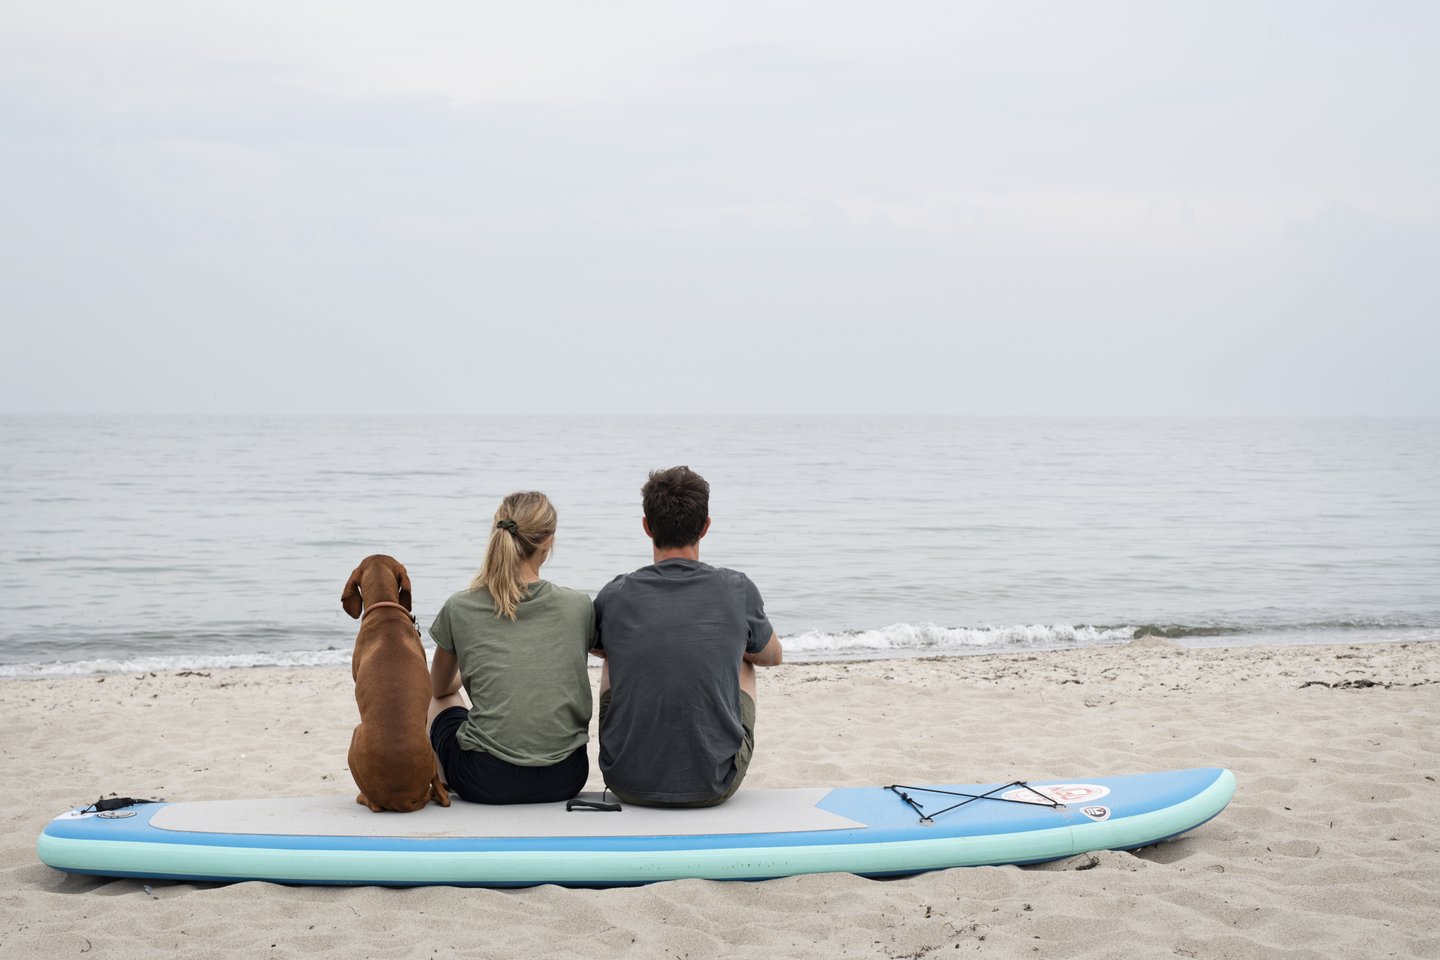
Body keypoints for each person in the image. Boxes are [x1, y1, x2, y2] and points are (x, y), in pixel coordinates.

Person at [592, 465, 782, 807]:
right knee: (746, 661)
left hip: (625, 780)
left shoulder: (616, 593)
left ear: (647, 528)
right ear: (706, 526)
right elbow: (772, 656)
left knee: (611, 657)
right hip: (713, 784)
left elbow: (594, 645)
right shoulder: (737, 588)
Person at [427, 491, 595, 804]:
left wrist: (472, 663)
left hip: (484, 781)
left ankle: (443, 784)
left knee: (441, 699)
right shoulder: (579, 606)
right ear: (548, 541)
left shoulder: (460, 607)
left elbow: (437, 688)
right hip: (566, 777)